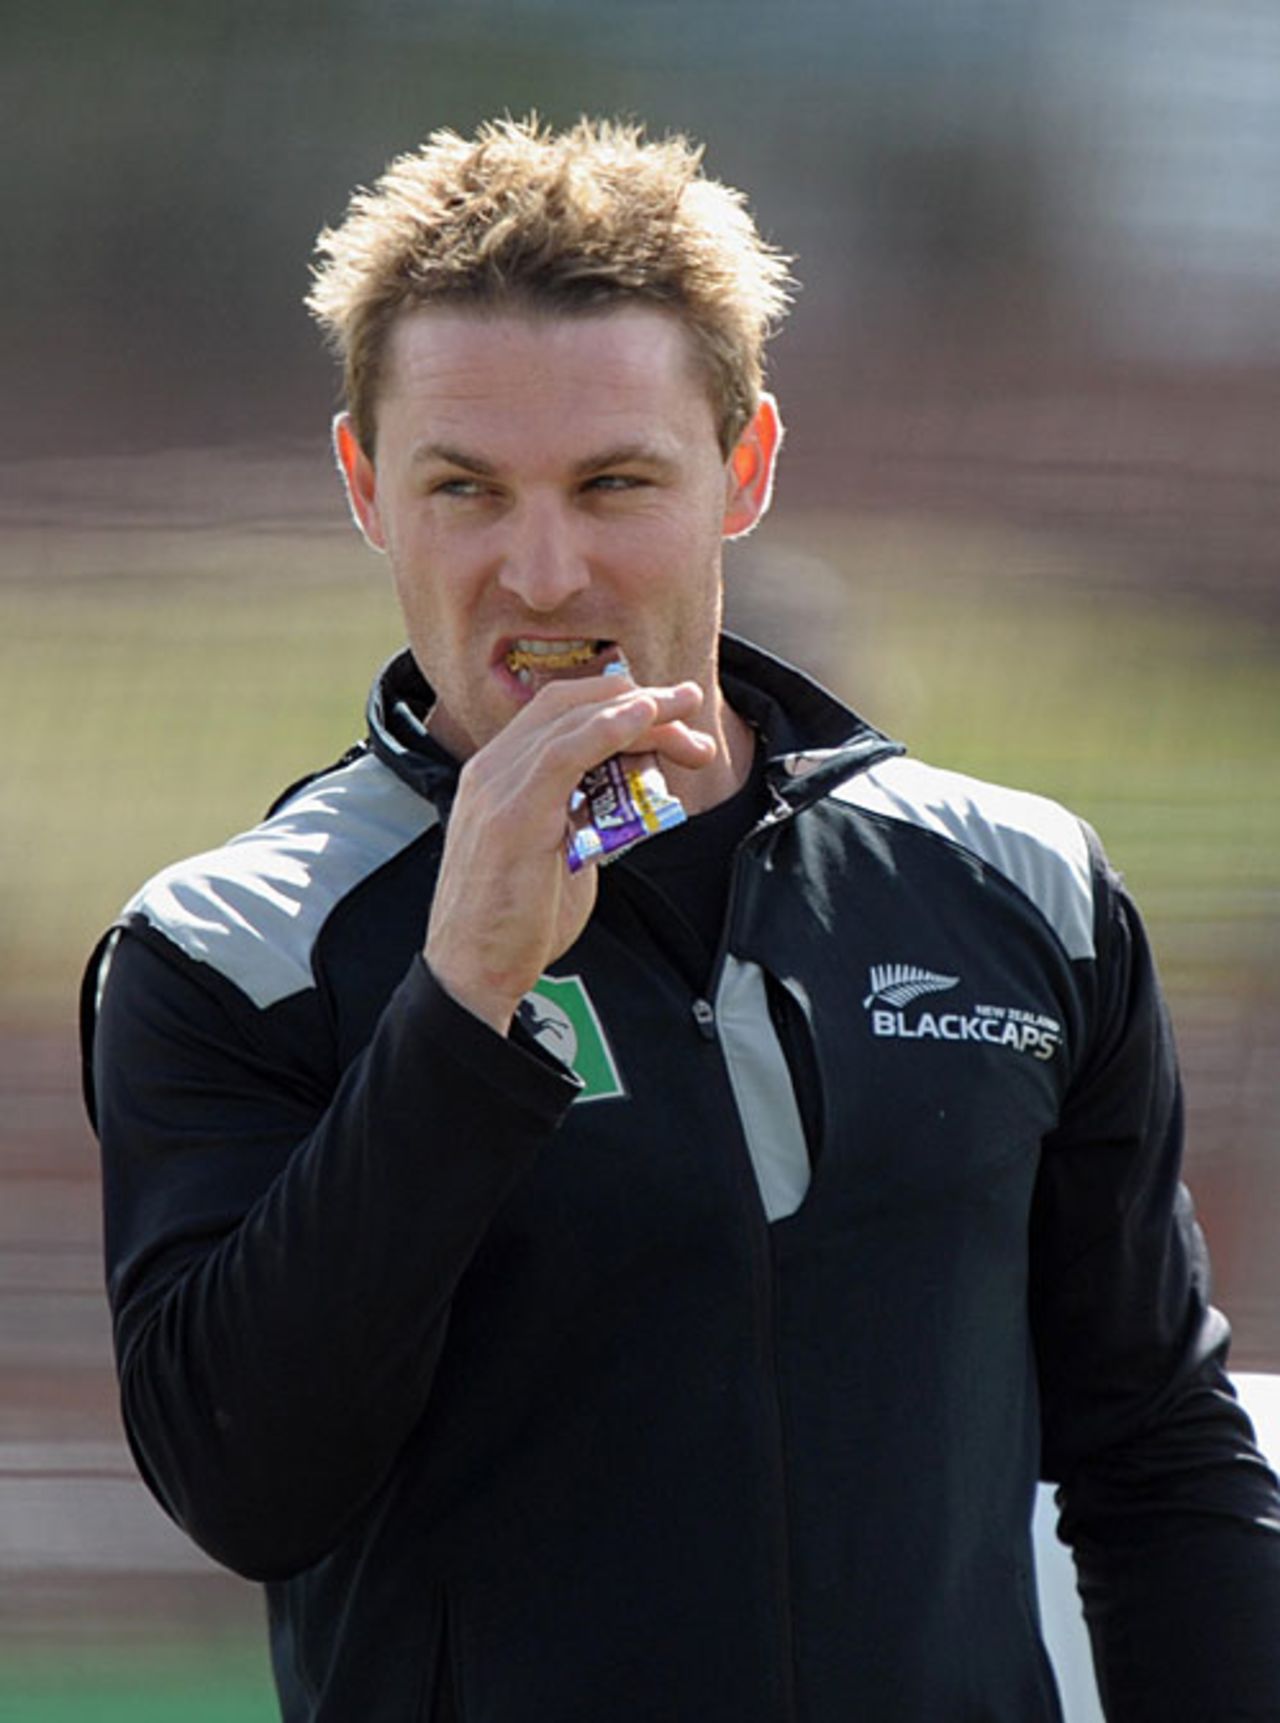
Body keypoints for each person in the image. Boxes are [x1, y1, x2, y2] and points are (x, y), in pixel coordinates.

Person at [80, 116, 1280, 1722]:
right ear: (368, 486)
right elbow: (245, 1486)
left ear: (746, 468)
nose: (544, 569)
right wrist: (465, 997)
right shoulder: (231, 950)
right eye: (467, 488)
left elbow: (1160, 1456)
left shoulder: (1023, 889)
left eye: (614, 482)